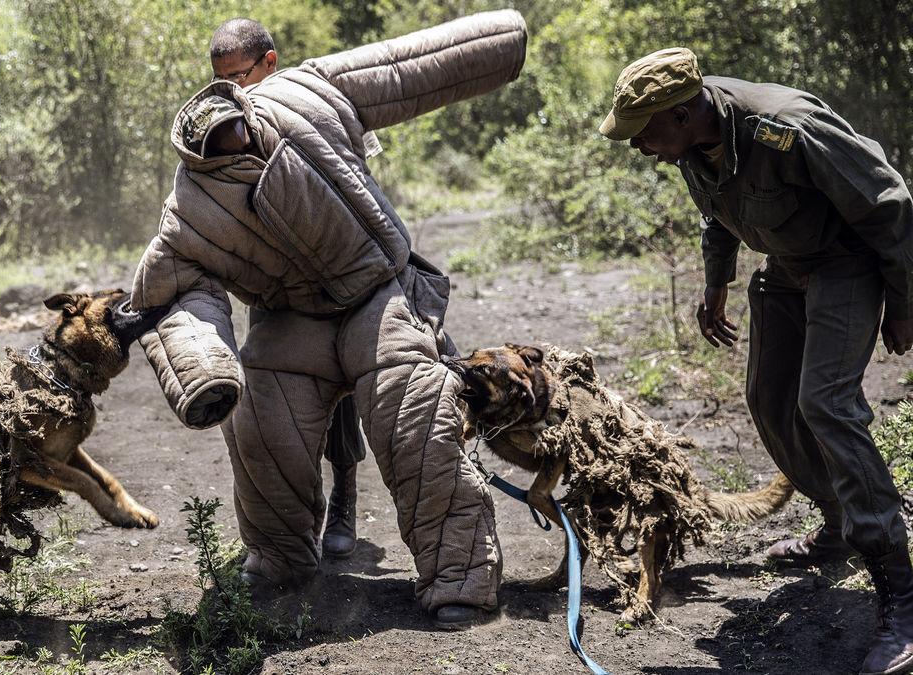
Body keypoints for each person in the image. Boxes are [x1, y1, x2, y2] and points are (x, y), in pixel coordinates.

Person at [130, 11, 527, 629]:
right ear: (202, 154)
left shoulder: (304, 95)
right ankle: (279, 559)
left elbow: (401, 70)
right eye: (226, 145)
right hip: (292, 321)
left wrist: (501, 42)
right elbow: (175, 288)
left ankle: (459, 576)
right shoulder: (190, 208)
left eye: (242, 126)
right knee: (259, 423)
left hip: (381, 294)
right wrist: (202, 369)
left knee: (416, 414)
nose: (242, 139)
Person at [600, 47, 913, 674]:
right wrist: (717, 283)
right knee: (769, 402)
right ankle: (838, 525)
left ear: (684, 114)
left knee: (824, 404)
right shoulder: (691, 145)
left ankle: (900, 593)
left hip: (844, 265)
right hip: (785, 270)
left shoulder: (785, 127)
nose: (637, 146)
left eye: (644, 132)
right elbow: (719, 214)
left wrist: (905, 303)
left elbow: (888, 203)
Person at [208, 18, 366, 558]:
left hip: (332, 275)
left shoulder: (312, 104)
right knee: (271, 400)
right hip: (271, 287)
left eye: (240, 75)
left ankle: (344, 497)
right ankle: (293, 522)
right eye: (222, 79)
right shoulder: (222, 121)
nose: (234, 88)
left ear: (270, 63)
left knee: (341, 390)